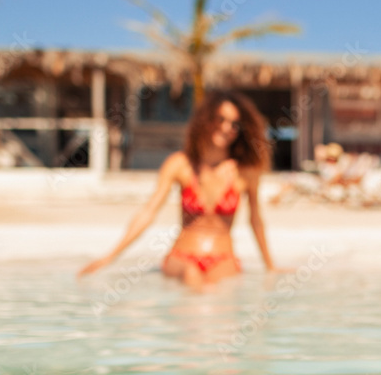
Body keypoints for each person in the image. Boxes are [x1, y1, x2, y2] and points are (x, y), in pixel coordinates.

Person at [80, 90, 277, 287]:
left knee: (214, 290)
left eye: (234, 124)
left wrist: (270, 267)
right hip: (182, 258)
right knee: (192, 276)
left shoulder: (245, 172)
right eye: (220, 119)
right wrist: (109, 257)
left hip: (224, 259)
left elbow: (256, 220)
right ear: (206, 120)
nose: (226, 128)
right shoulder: (179, 164)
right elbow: (148, 213)